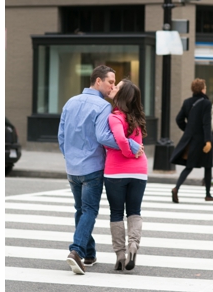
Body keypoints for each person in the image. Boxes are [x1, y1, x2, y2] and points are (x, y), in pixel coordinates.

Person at [58, 65, 143, 274]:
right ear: (98, 81)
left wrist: (69, 157)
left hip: (72, 168)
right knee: (89, 210)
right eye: (110, 82)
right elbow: (103, 137)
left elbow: (61, 136)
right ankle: (76, 250)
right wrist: (132, 146)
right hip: (92, 168)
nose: (112, 86)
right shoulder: (103, 106)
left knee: (81, 210)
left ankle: (89, 253)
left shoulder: (70, 102)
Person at [104, 79, 148, 271]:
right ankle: (134, 245)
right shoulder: (137, 118)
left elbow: (120, 139)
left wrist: (128, 152)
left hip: (116, 171)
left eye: (118, 87)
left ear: (122, 95)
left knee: (116, 212)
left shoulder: (115, 117)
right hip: (139, 171)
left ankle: (120, 255)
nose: (114, 88)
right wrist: (134, 153)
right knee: (134, 211)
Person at [171, 78, 213, 202]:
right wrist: (208, 140)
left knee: (189, 166)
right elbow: (206, 123)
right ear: (203, 89)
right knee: (208, 166)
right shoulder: (206, 103)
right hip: (203, 140)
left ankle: (176, 188)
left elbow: (178, 119)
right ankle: (208, 194)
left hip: (191, 140)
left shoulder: (187, 102)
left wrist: (188, 130)